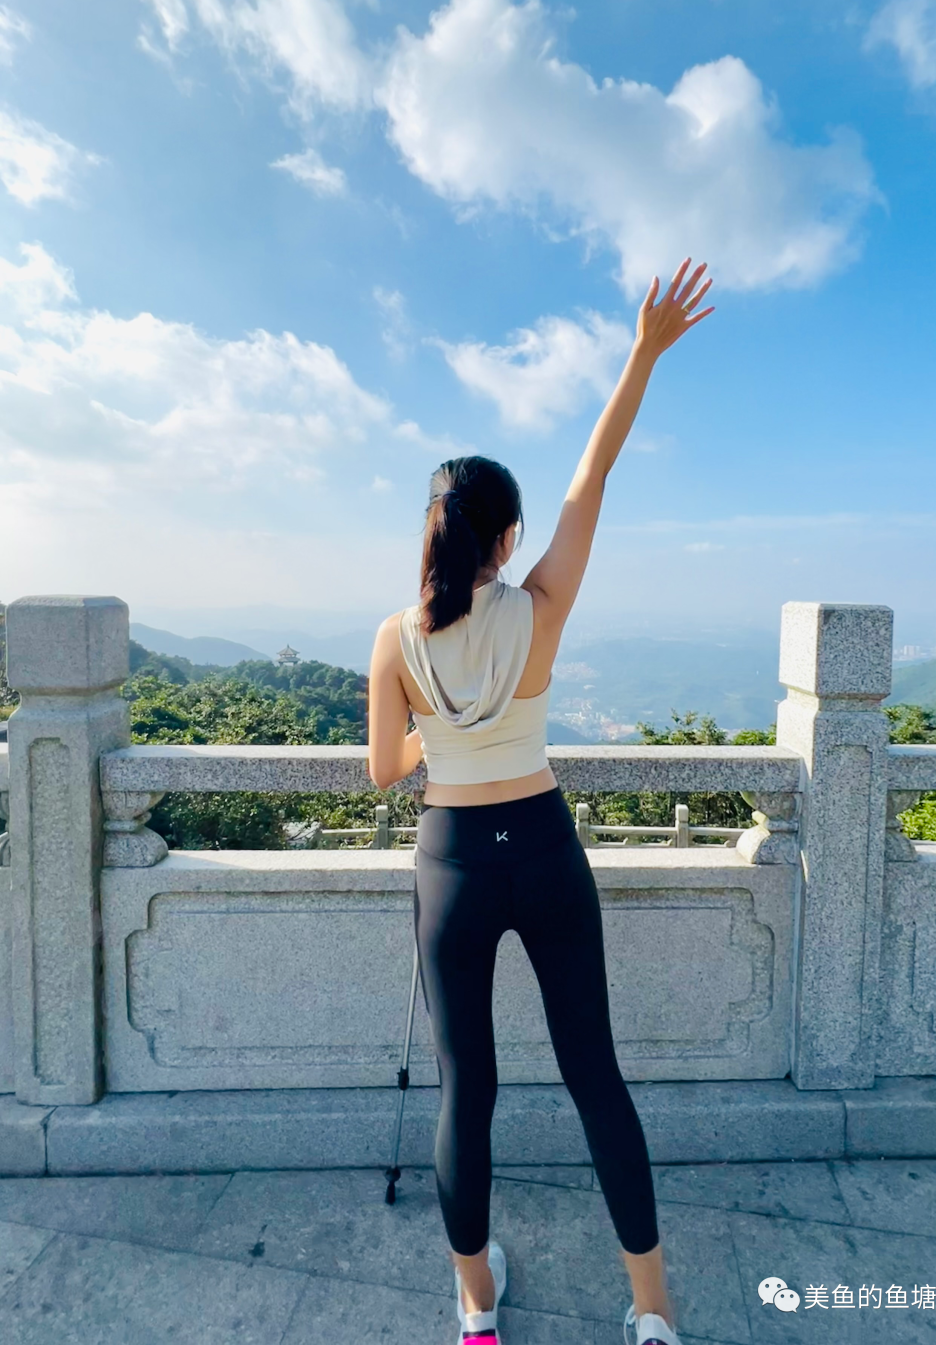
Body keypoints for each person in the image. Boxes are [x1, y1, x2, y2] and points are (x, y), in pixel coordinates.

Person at [367, 257, 714, 1345]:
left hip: (453, 861)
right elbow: (592, 477)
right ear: (507, 538)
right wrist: (642, 354)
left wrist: (440, 727)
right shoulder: (542, 606)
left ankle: (477, 1307)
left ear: (435, 533)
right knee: (595, 1077)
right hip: (547, 848)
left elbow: (382, 771)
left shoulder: (394, 639)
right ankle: (651, 1311)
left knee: (466, 1089)